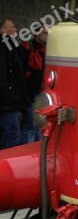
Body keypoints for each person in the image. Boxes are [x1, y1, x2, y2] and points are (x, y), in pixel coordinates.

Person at [0, 18, 30, 149]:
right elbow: (3, 76)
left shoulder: (10, 46)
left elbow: (24, 58)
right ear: (3, 30)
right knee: (12, 136)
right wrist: (6, 100)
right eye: (12, 27)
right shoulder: (3, 49)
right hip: (8, 103)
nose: (16, 30)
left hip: (14, 101)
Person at [20, 26, 48, 143]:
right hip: (31, 92)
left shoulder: (46, 50)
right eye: (45, 32)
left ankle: (36, 152)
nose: (47, 35)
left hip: (42, 92)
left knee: (39, 126)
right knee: (31, 126)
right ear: (37, 33)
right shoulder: (27, 48)